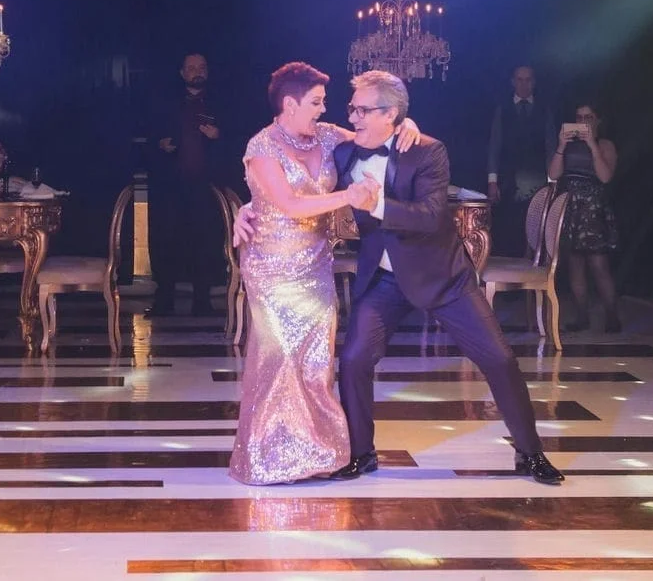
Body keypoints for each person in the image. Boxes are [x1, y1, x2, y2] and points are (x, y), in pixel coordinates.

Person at [236, 70, 565, 487]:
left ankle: (530, 453)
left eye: (361, 110)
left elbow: (429, 217)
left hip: (442, 277)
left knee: (499, 360)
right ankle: (361, 454)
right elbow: (283, 186)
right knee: (354, 360)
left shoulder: (428, 151)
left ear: (390, 114)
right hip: (383, 279)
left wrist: (375, 203)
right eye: (351, 108)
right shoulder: (343, 150)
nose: (351, 117)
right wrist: (249, 207)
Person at [148, 53, 225, 316]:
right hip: (171, 185)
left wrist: (218, 135)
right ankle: (164, 300)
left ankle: (203, 301)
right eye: (191, 68)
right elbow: (149, 135)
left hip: (206, 187)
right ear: (182, 73)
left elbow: (239, 138)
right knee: (166, 241)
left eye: (201, 67)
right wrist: (160, 144)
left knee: (205, 241)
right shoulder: (166, 103)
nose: (197, 72)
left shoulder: (219, 103)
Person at [549, 102, 620, 333]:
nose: (582, 122)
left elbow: (606, 176)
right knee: (575, 264)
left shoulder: (605, 145)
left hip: (593, 208)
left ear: (598, 120)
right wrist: (561, 145)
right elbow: (553, 175)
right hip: (571, 206)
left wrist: (592, 145)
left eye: (588, 117)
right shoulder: (568, 145)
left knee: (599, 265)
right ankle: (581, 316)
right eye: (578, 117)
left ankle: (612, 314)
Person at [487, 66, 557, 257]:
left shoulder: (544, 109)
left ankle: (531, 272)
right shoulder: (502, 109)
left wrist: (552, 182)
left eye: (528, 80)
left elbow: (551, 147)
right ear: (513, 82)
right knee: (509, 230)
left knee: (535, 232)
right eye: (519, 79)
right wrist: (492, 181)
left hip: (537, 181)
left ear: (534, 82)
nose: (524, 84)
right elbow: (495, 145)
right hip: (508, 181)